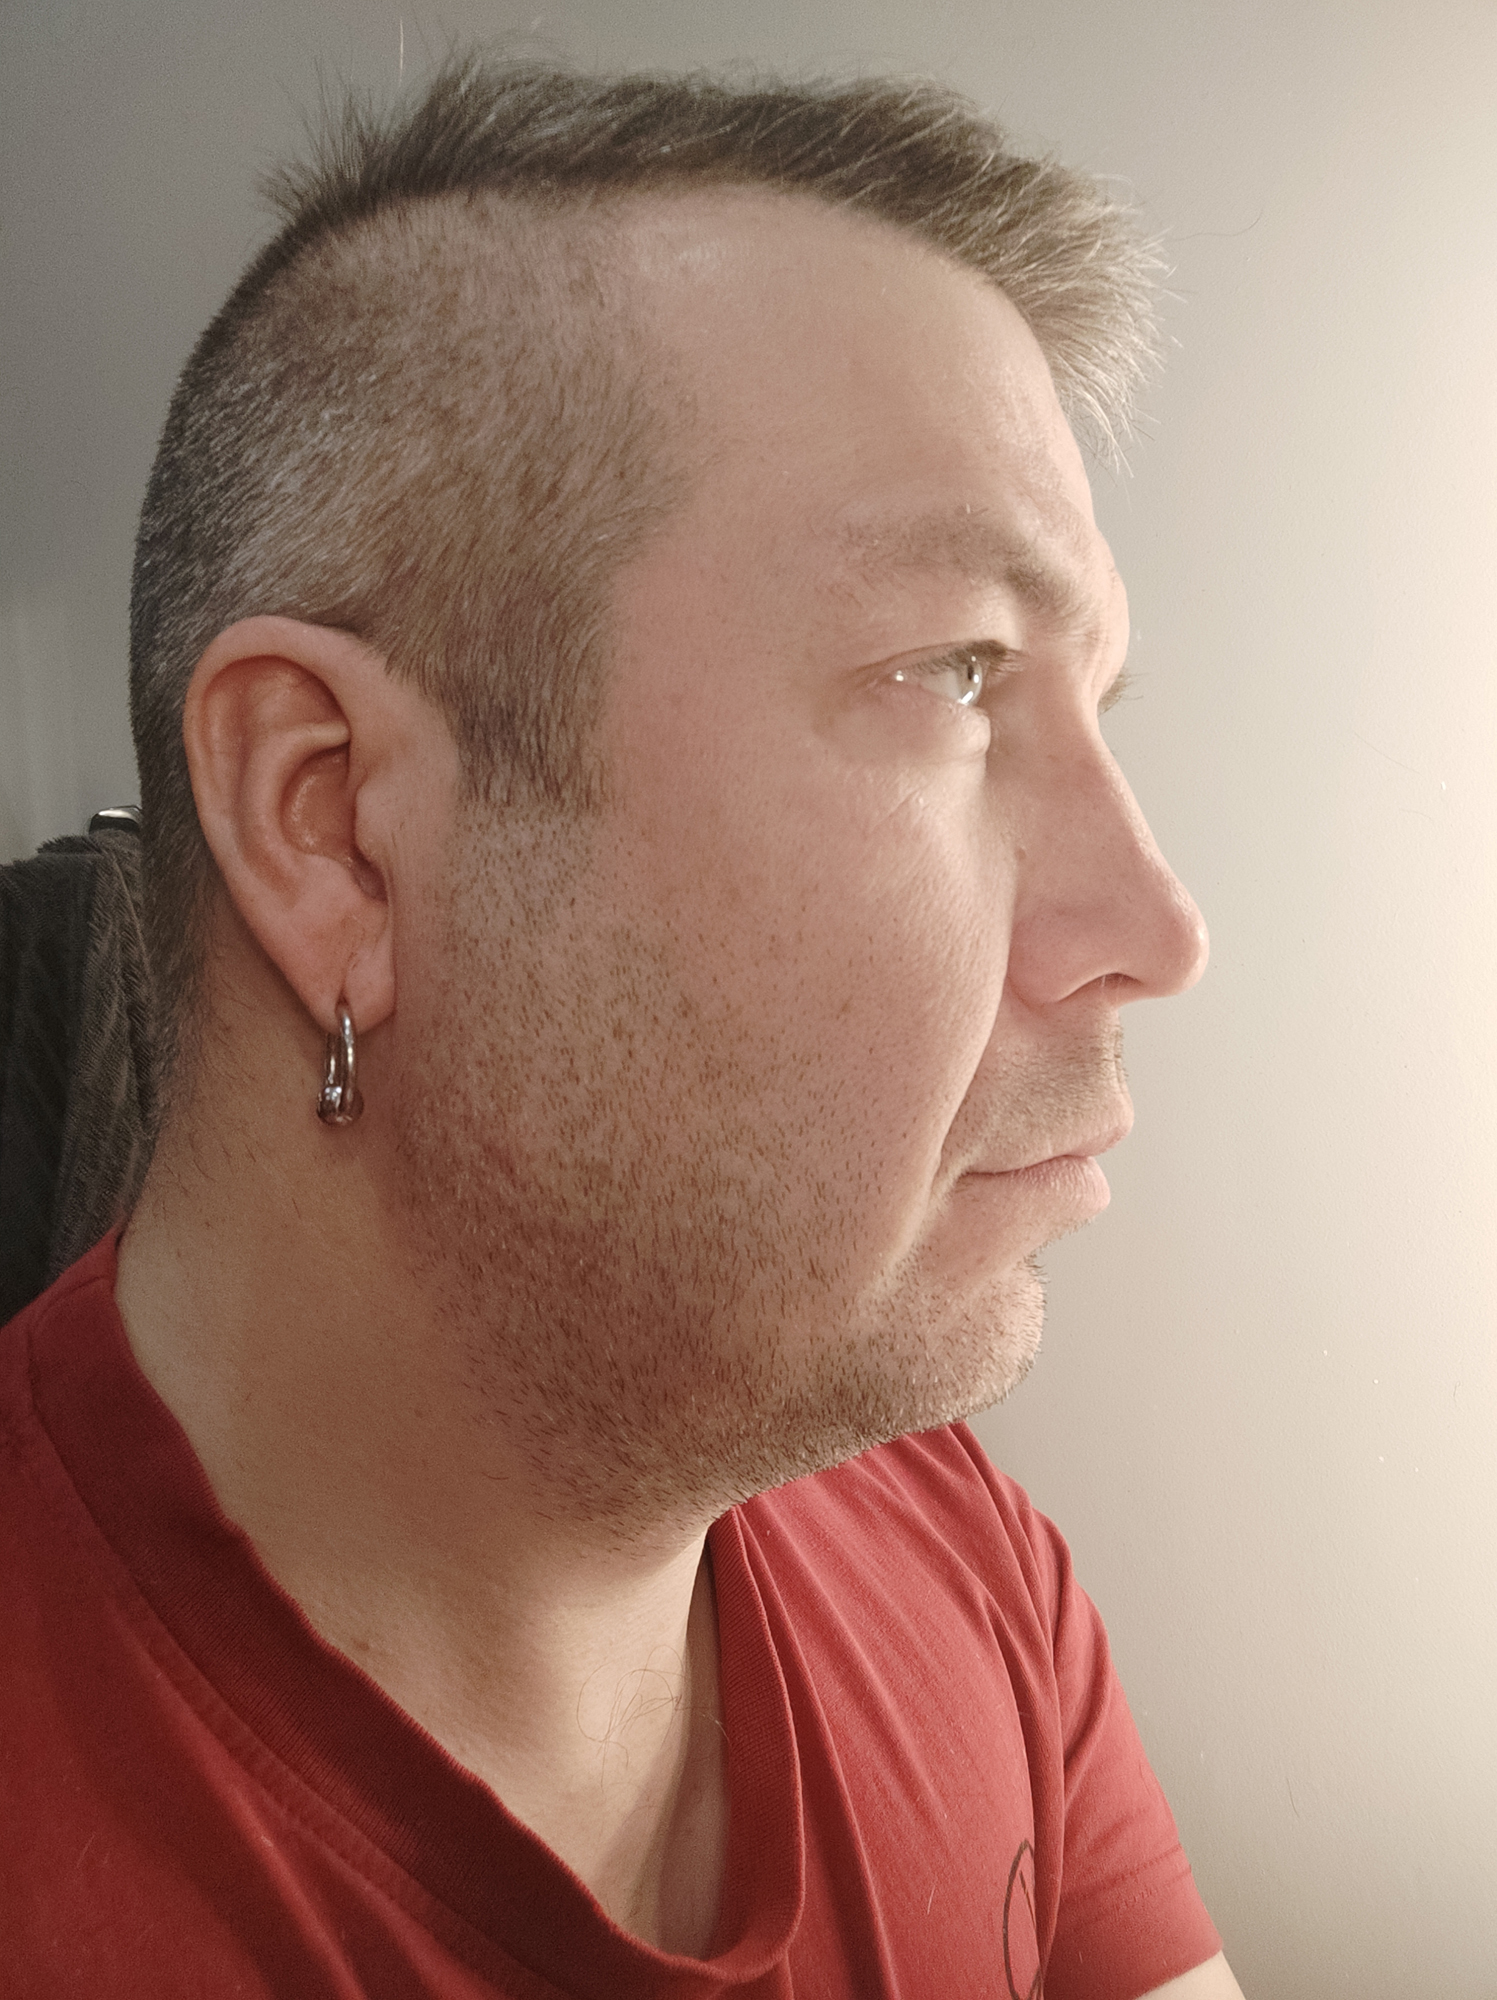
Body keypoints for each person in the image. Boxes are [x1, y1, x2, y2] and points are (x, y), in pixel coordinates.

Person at [0, 54, 1243, 1999]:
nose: (1154, 934)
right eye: (949, 673)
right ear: (336, 829)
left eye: (1090, 706)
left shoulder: (959, 1550)